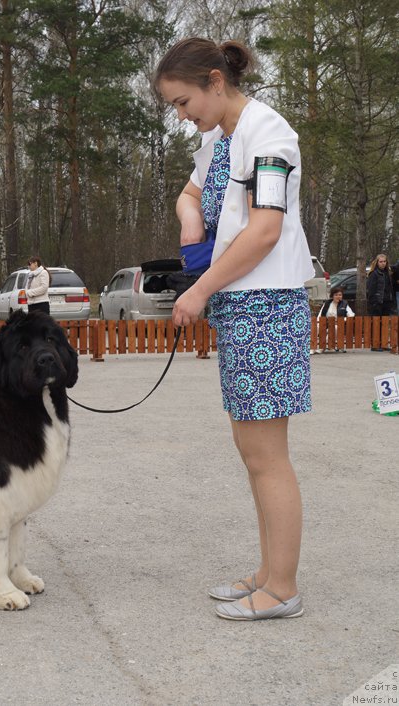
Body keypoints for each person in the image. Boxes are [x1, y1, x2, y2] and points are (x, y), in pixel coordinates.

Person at [156, 38, 313, 621]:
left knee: (268, 456)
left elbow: (265, 230)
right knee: (252, 452)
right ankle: (268, 572)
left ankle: (284, 588)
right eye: (173, 106)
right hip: (241, 305)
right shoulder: (218, 140)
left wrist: (199, 290)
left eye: (183, 101)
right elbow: (192, 192)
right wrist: (189, 216)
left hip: (266, 304)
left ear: (215, 82)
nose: (181, 115)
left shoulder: (268, 134)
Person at [315, 286, 354, 353]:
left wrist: (342, 320)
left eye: (340, 295)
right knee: (316, 327)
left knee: (334, 328)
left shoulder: (344, 304)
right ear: (332, 296)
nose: (338, 297)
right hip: (326, 322)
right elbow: (320, 315)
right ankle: (312, 348)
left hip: (337, 324)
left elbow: (351, 315)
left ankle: (323, 347)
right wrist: (319, 323)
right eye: (336, 295)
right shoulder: (327, 303)